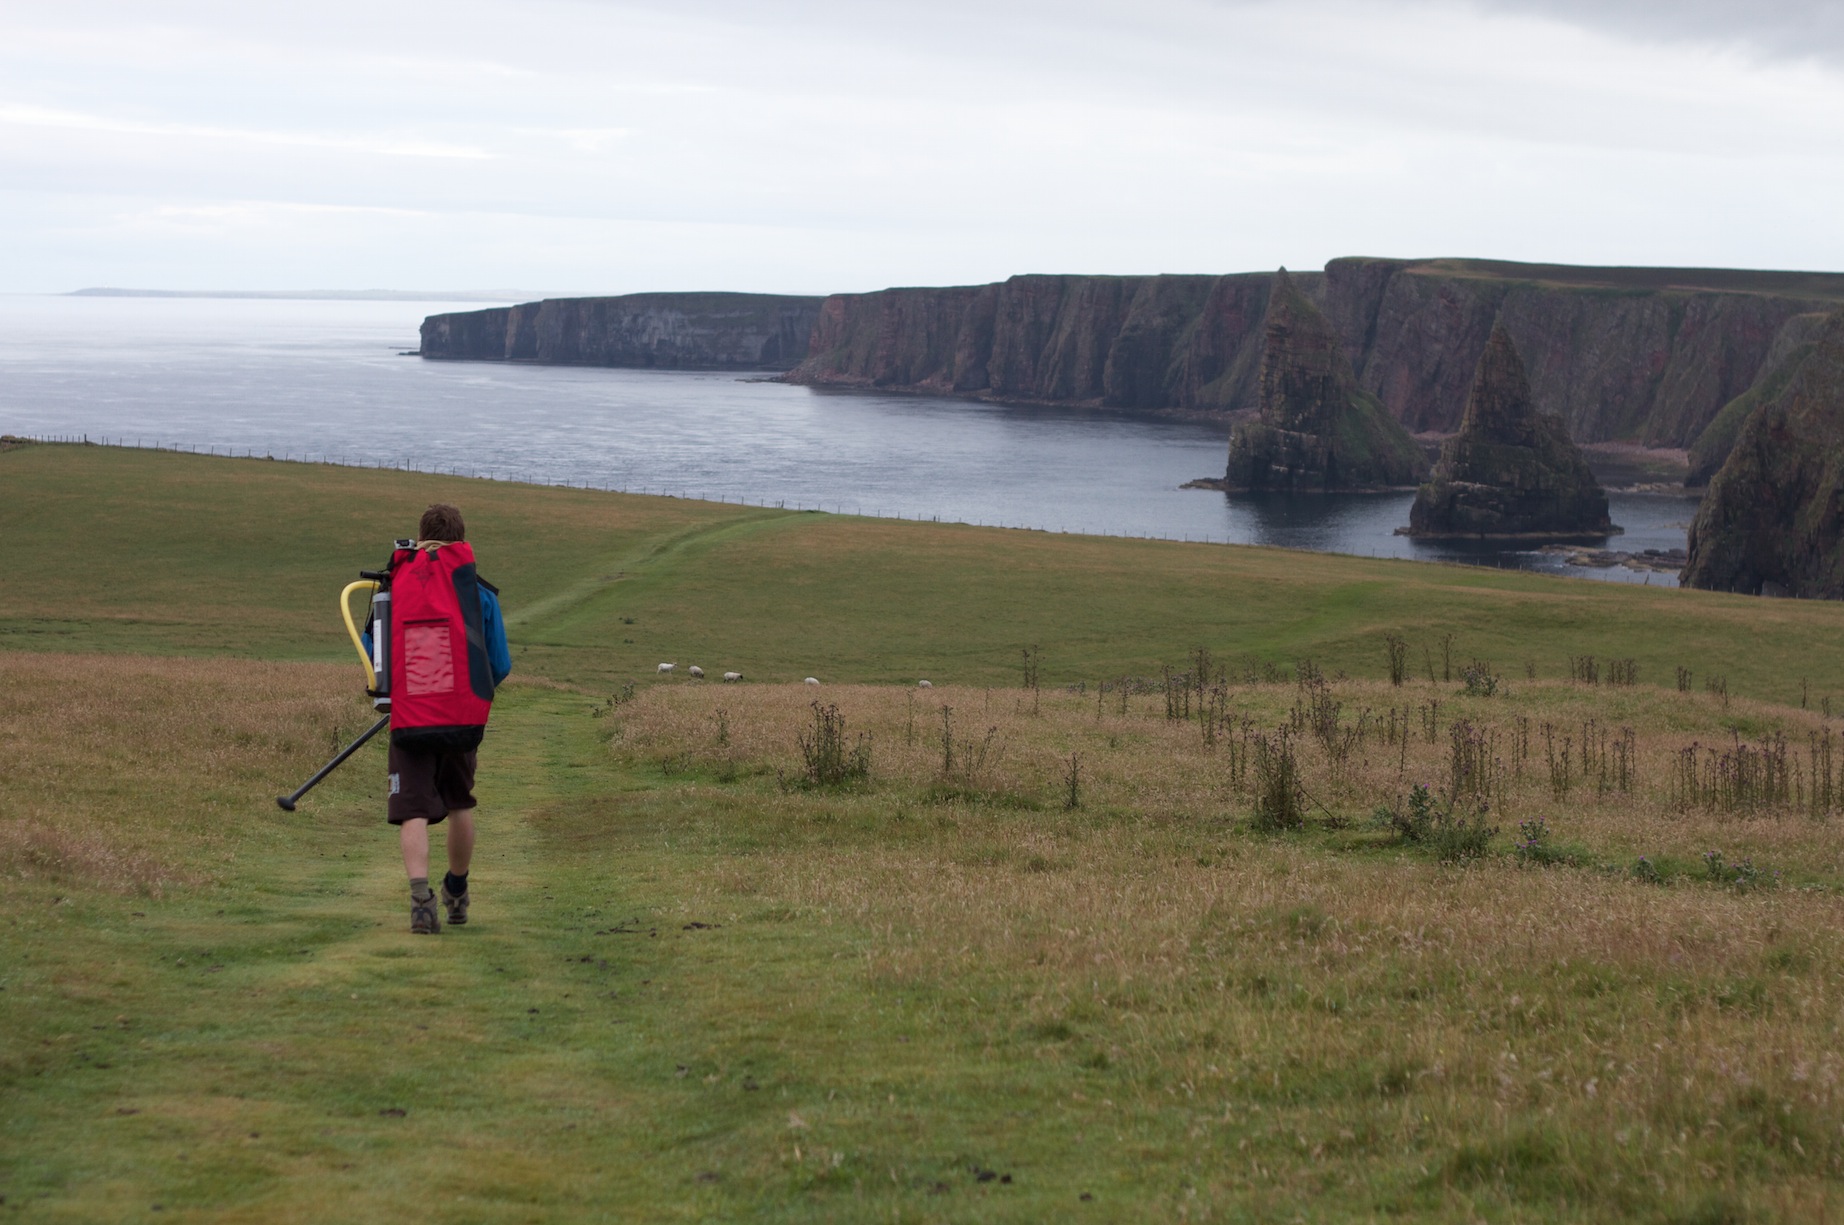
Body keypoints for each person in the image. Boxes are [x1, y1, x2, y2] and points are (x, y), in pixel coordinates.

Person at [371, 503, 511, 934]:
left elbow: (374, 655)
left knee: (412, 810)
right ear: (462, 539)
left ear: (420, 534)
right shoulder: (479, 593)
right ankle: (458, 889)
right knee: (458, 803)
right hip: (461, 723)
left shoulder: (393, 588)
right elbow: (499, 663)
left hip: (410, 721)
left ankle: (420, 901)